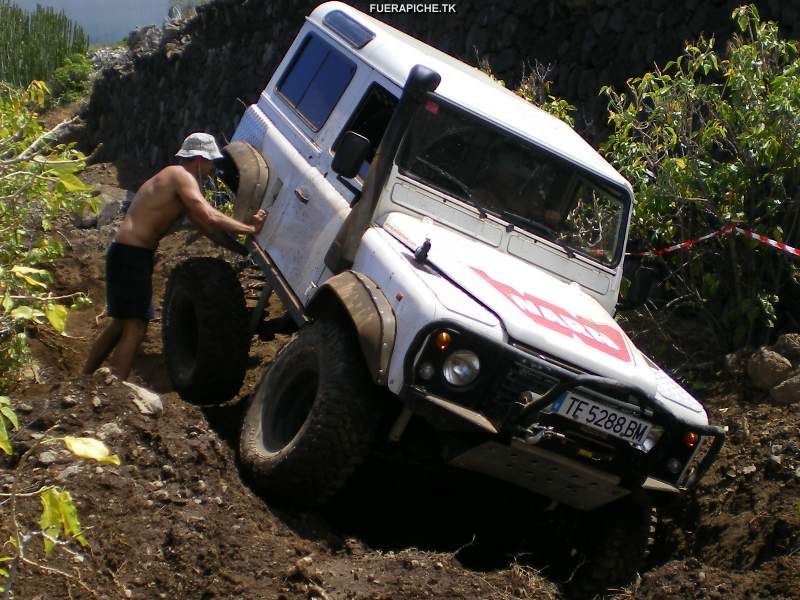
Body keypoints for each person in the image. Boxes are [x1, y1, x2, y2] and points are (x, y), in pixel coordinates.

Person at [82, 132, 266, 380]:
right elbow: (209, 215)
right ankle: (115, 383)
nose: (212, 167)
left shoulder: (177, 184)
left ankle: (84, 378)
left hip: (128, 255)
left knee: (120, 324)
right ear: (199, 158)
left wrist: (243, 250)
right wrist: (250, 228)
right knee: (136, 327)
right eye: (210, 161)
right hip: (131, 256)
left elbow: (208, 228)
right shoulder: (180, 176)